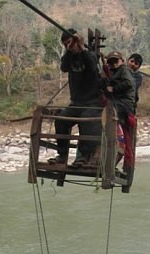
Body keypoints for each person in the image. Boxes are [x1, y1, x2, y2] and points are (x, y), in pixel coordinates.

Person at [48, 28, 103, 167]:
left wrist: (81, 47)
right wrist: (69, 50)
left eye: (69, 43)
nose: (68, 46)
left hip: (92, 103)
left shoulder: (91, 54)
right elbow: (64, 67)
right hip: (76, 103)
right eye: (65, 44)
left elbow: (91, 65)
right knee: (61, 121)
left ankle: (83, 157)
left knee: (87, 121)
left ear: (77, 40)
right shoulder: (69, 57)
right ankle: (62, 155)